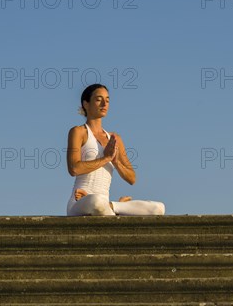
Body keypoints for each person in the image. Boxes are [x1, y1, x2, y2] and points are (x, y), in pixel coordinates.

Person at [65, 83, 166, 216]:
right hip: (81, 201)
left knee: (158, 208)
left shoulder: (114, 138)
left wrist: (116, 161)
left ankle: (113, 206)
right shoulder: (78, 132)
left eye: (107, 100)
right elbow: (74, 168)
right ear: (86, 104)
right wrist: (105, 158)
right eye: (98, 99)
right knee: (96, 201)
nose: (104, 104)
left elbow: (132, 178)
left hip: (104, 203)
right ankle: (114, 208)